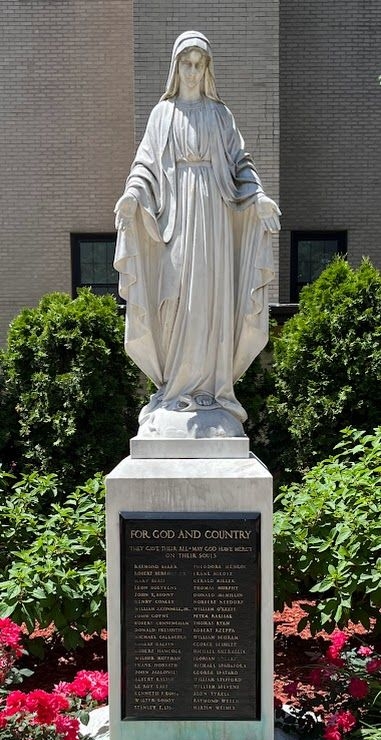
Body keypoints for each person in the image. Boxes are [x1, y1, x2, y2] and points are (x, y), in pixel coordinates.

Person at [114, 31, 280, 438]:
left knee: (211, 299)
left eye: (198, 64)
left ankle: (211, 391)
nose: (191, 71)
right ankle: (174, 393)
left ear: (207, 69)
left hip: (215, 218)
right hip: (175, 219)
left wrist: (258, 197)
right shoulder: (162, 114)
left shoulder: (220, 116)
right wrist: (132, 197)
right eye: (185, 64)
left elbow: (242, 165)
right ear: (176, 68)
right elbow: (145, 166)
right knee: (175, 296)